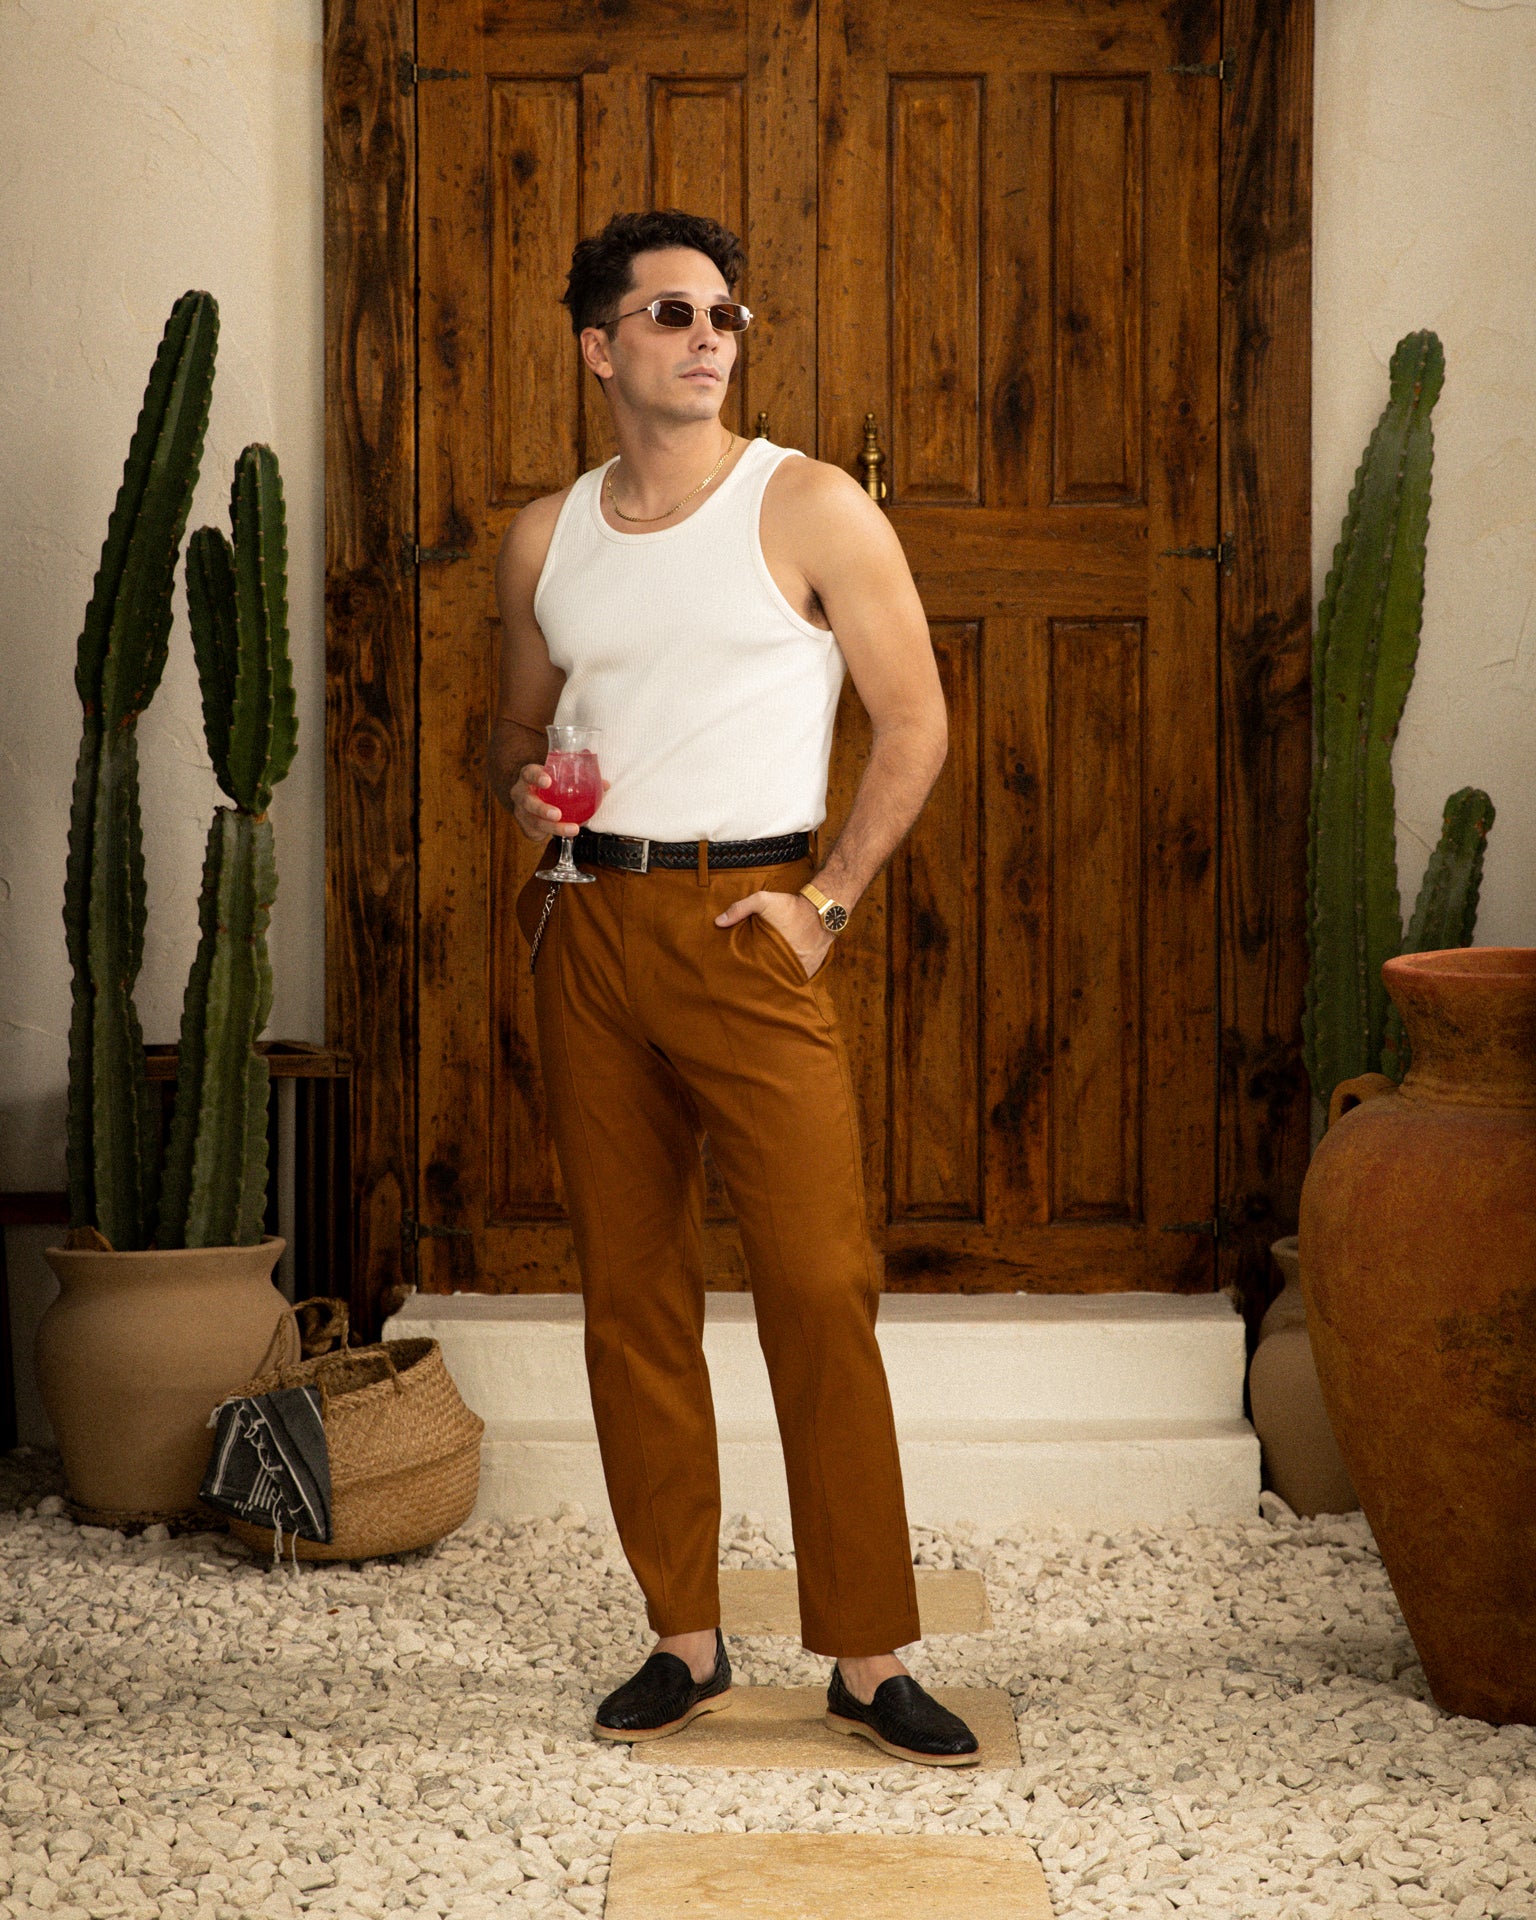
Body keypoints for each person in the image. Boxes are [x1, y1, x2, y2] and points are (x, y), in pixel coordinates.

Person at [488, 209, 977, 1766]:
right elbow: (517, 734)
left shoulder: (809, 503)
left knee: (819, 1282)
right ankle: (682, 1641)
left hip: (751, 925)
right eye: (672, 314)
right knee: (631, 1292)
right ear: (599, 347)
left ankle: (868, 1656)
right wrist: (531, 791)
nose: (709, 338)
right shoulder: (546, 537)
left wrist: (827, 901)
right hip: (590, 928)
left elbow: (916, 721)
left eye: (724, 316)